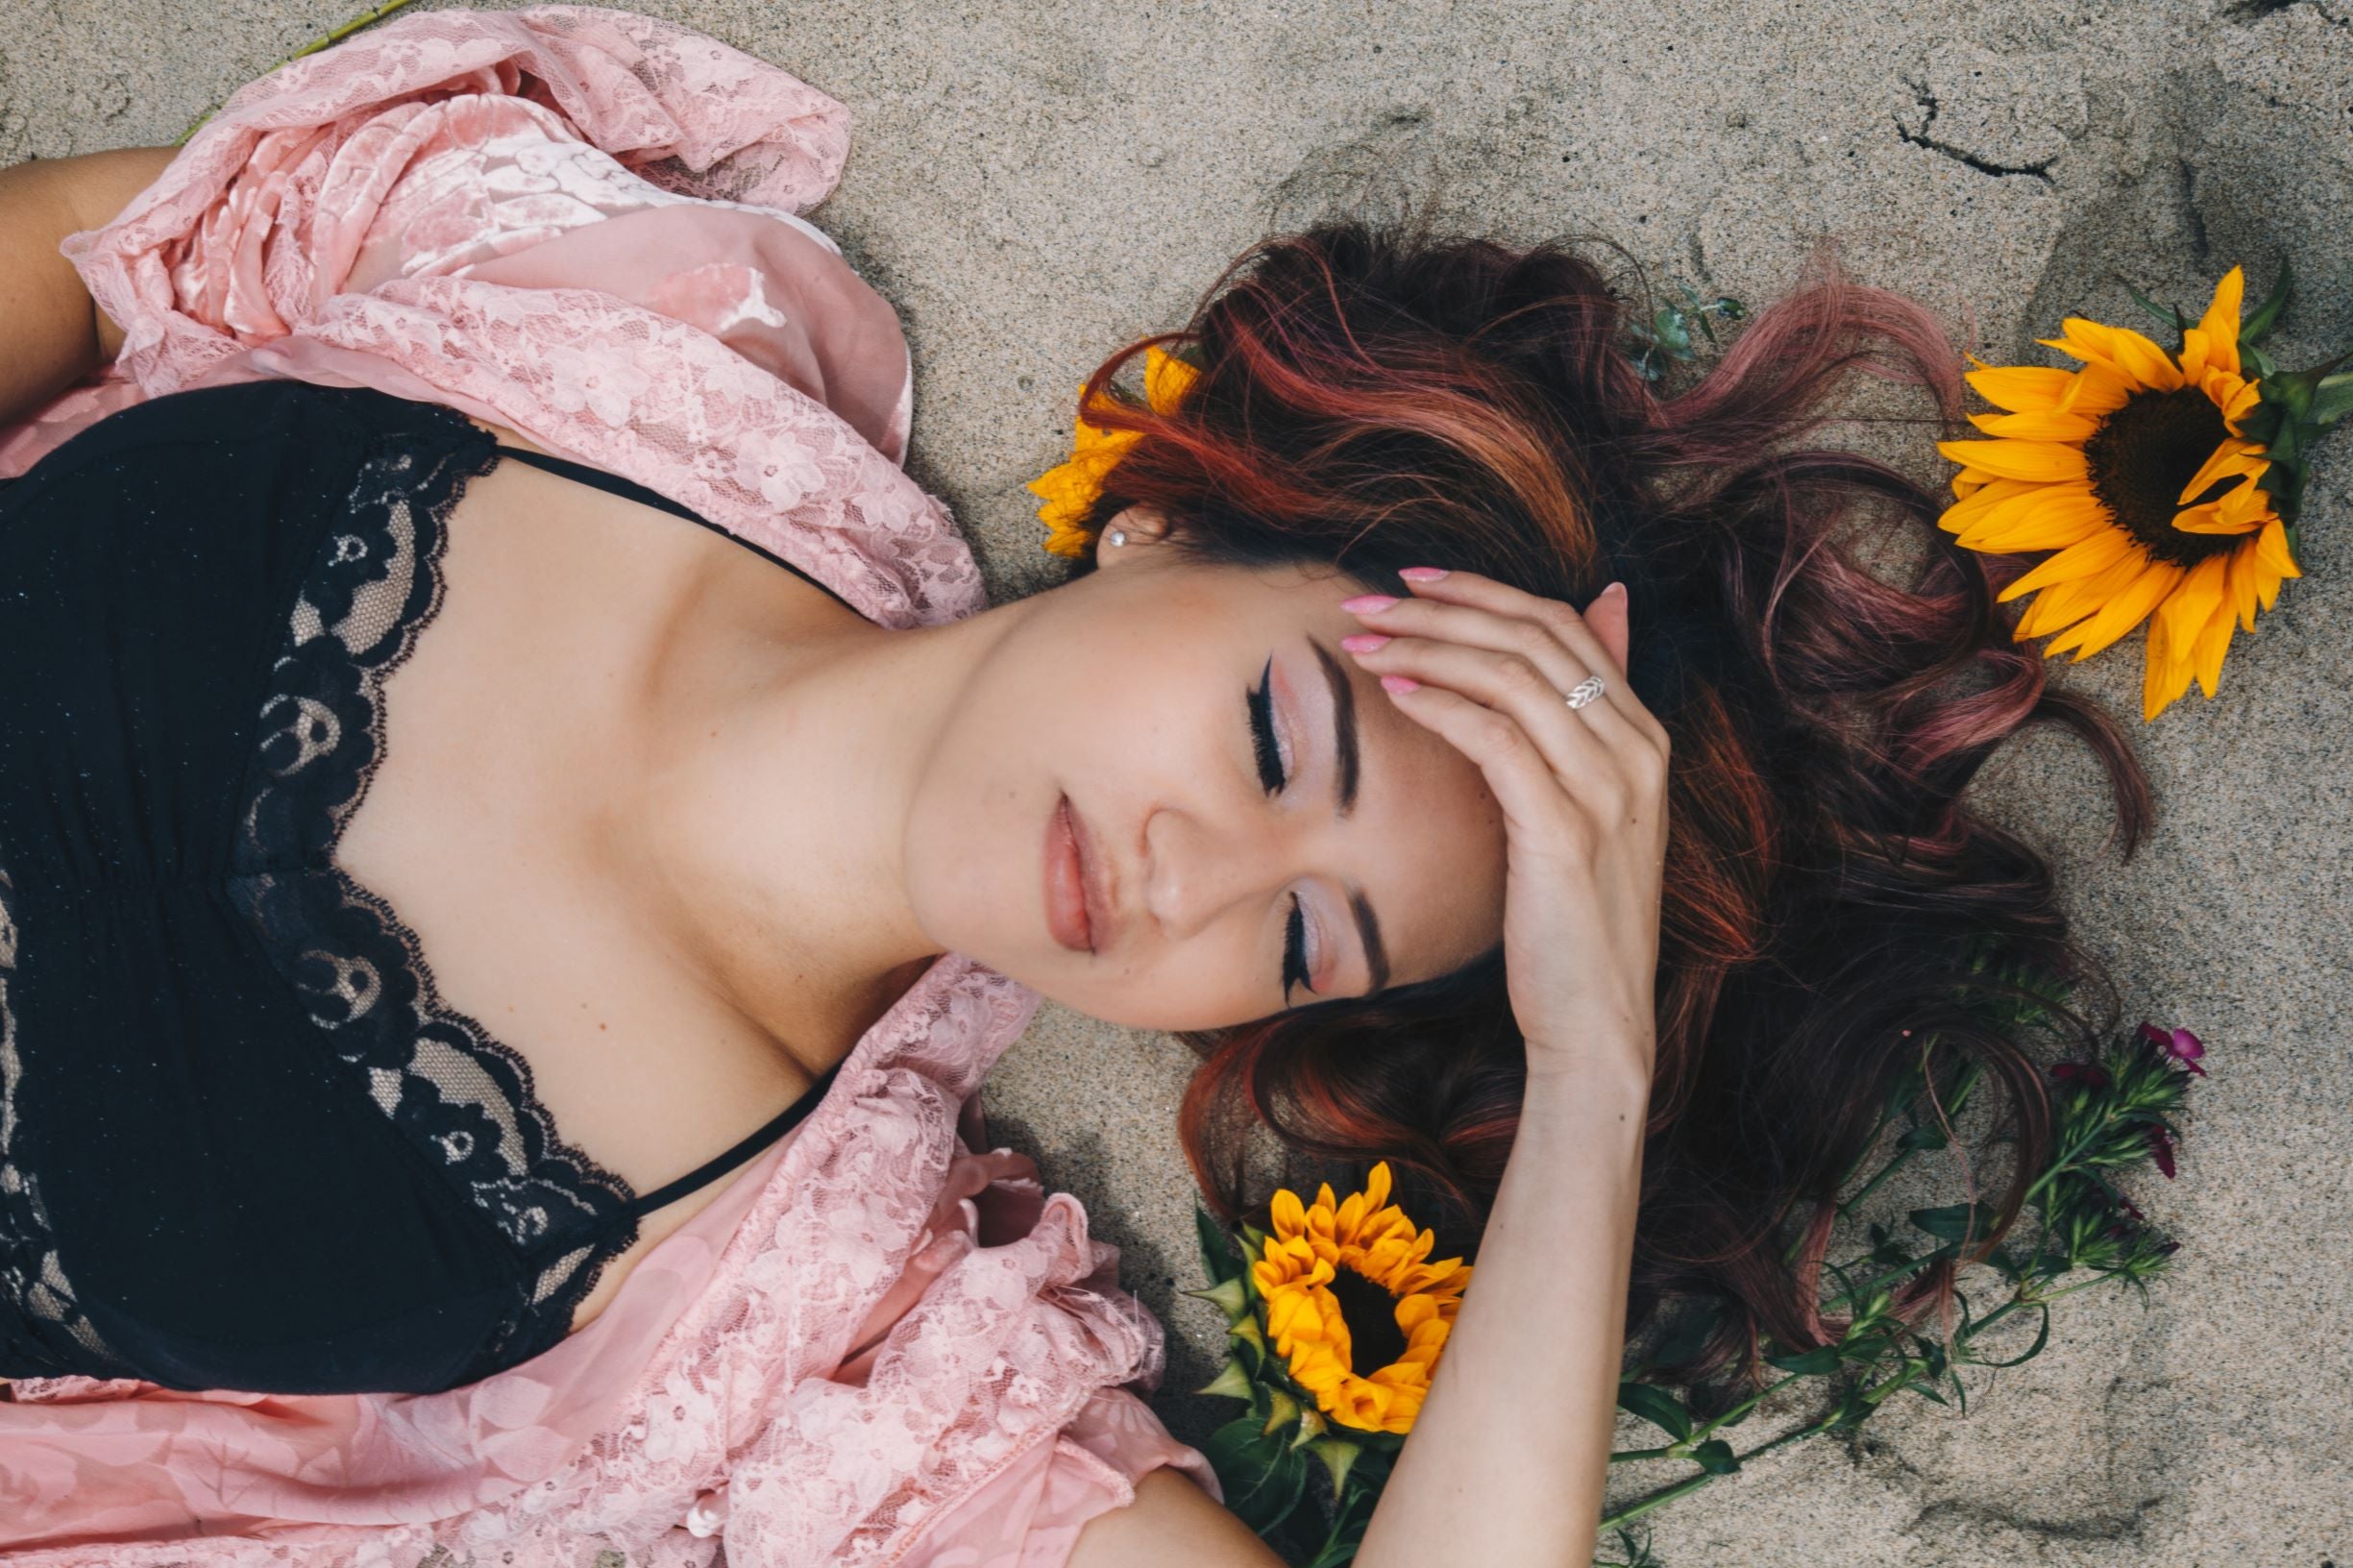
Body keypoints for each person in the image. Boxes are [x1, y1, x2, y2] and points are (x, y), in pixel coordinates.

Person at [0, 8, 2144, 1566]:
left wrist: (1588, 1069)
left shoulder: (816, 1346)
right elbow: (92, 247)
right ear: (1169, 529)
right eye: (1275, 740)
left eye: (1302, 940)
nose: (1194, 876)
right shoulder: (600, 328)